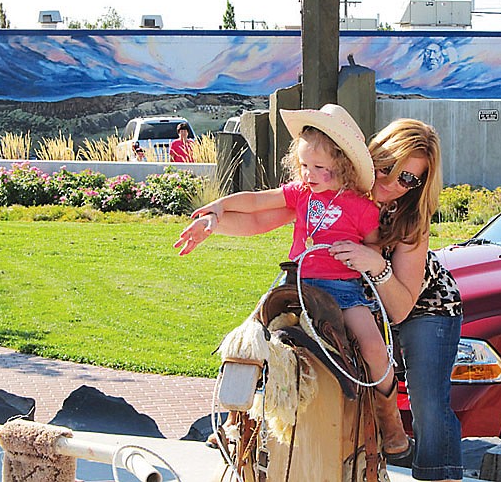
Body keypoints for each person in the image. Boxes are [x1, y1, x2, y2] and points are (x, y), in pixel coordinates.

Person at [175, 114, 464, 482]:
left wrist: (373, 260)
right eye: (388, 167)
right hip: (320, 281)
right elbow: (261, 214)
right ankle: (237, 420)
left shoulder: (405, 220)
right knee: (250, 336)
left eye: (408, 177)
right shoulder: (318, 190)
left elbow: (401, 306)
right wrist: (215, 217)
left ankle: (416, 451)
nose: (392, 182)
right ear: (369, 158)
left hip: (423, 305)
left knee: (426, 400)